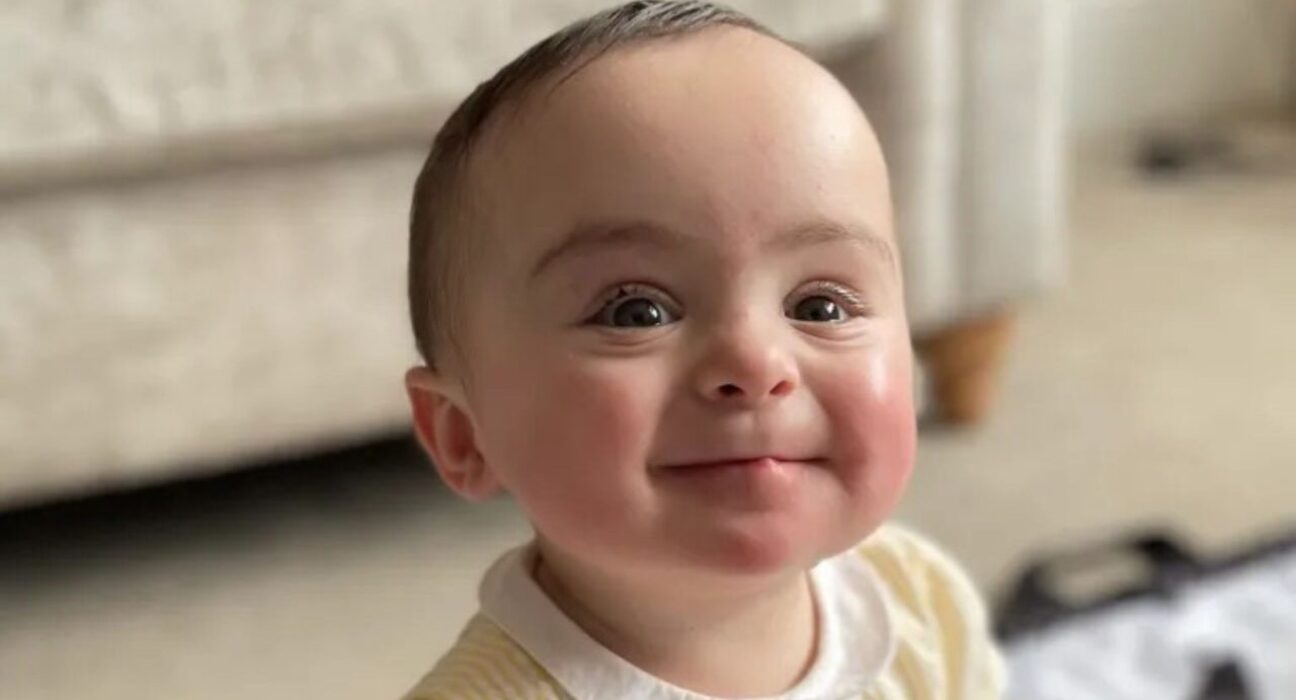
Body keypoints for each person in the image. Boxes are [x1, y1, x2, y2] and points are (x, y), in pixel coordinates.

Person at [402, 2, 1004, 697]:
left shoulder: (919, 605)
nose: (754, 364)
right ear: (463, 435)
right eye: (637, 311)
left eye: (821, 306)